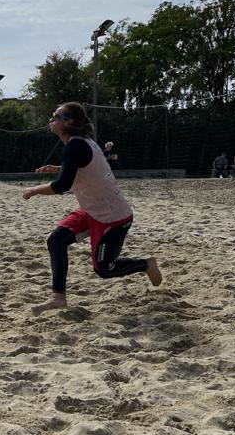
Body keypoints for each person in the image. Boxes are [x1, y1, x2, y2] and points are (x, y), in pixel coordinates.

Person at [22, 102, 162, 313]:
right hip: (92, 210)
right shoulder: (80, 143)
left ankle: (146, 264)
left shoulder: (76, 145)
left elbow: (62, 185)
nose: (51, 120)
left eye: (55, 116)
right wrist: (61, 167)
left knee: (104, 269)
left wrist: (35, 189)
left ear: (68, 122)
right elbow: (88, 165)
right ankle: (58, 298)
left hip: (113, 217)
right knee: (56, 240)